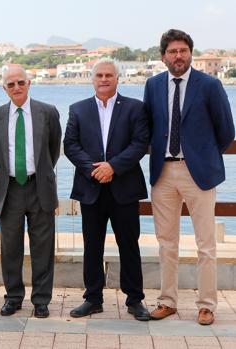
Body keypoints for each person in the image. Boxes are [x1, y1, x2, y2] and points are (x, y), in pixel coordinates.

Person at [144, 29, 235, 325]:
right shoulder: (153, 85)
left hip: (199, 173)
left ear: (190, 53)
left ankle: (206, 305)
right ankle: (167, 301)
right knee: (166, 242)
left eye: (183, 50)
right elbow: (148, 125)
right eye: (172, 52)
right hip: (164, 172)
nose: (178, 56)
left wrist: (202, 155)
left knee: (206, 244)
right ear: (163, 57)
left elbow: (226, 131)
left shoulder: (209, 84)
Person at [64, 58, 150, 321]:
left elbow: (140, 143)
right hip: (91, 188)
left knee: (129, 245)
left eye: (109, 75)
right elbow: (70, 145)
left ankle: (135, 300)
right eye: (99, 75)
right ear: (92, 79)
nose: (104, 79)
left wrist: (112, 166)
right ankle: (93, 299)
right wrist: (94, 169)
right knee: (92, 246)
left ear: (117, 78)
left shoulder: (135, 108)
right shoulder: (78, 109)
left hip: (124, 188)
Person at [0, 65, 61, 318]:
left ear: (29, 83)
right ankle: (13, 297)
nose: (16, 87)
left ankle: (41, 300)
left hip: (39, 187)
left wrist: (37, 171)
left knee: (43, 247)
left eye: (20, 82)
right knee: (10, 248)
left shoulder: (48, 112)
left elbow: (52, 151)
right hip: (10, 189)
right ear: (4, 88)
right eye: (10, 84)